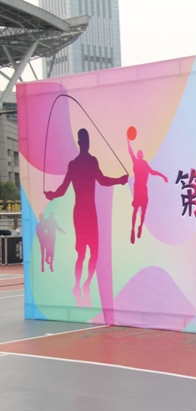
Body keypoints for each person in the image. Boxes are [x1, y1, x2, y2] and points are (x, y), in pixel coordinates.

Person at [45, 128, 128, 308]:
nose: (86, 143)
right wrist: (120, 180)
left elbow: (63, 189)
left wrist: (52, 195)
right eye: (85, 141)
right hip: (86, 211)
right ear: (81, 143)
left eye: (86, 141)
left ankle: (84, 284)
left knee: (88, 253)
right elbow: (102, 181)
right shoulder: (86, 162)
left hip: (84, 211)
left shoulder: (77, 164)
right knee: (85, 252)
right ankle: (80, 284)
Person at [127, 134, 168, 244]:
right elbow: (153, 172)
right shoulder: (142, 164)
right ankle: (136, 227)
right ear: (141, 155)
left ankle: (136, 228)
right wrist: (162, 176)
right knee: (141, 211)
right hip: (141, 190)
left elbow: (130, 152)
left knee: (138, 211)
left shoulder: (139, 163)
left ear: (139, 155)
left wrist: (128, 141)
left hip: (140, 190)